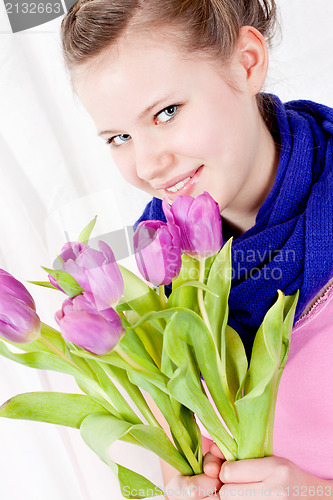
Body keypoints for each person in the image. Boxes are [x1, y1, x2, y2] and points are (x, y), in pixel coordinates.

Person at [60, 0, 333, 498]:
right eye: (119, 137)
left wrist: (317, 493)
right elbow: (178, 448)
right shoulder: (151, 272)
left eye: (166, 112)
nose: (147, 165)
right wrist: (181, 484)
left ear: (247, 61)